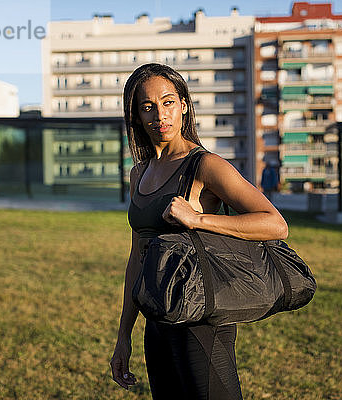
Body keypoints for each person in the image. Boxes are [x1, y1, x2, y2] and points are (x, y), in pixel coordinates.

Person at [110, 63, 288, 400]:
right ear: (135, 115)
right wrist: (124, 336)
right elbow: (137, 257)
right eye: (147, 106)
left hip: (200, 317)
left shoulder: (205, 165)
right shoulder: (139, 174)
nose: (159, 114)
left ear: (183, 106)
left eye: (167, 102)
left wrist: (199, 220)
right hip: (157, 317)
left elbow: (274, 223)